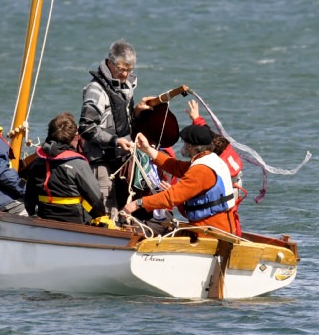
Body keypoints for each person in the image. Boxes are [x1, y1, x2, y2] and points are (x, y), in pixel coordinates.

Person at [79, 40, 152, 218]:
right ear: (110, 63)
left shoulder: (124, 87)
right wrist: (115, 141)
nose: (125, 74)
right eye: (121, 69)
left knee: (125, 206)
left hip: (122, 160)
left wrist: (135, 112)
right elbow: (86, 128)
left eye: (129, 70)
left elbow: (118, 120)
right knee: (107, 209)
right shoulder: (95, 90)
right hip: (102, 161)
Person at [122, 124, 239, 235]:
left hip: (209, 233)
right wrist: (147, 149)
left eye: (184, 143)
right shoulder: (210, 159)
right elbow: (176, 167)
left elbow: (171, 197)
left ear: (191, 146)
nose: (182, 146)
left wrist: (138, 203)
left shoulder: (201, 170)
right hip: (213, 228)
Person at [23, 112, 108, 225]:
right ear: (74, 136)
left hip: (44, 218)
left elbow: (29, 199)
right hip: (76, 221)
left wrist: (33, 215)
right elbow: (95, 198)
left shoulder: (38, 162)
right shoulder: (77, 164)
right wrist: (101, 217)